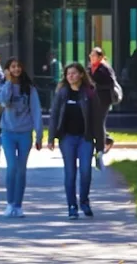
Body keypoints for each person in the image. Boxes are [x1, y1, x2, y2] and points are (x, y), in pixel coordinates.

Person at [48, 63, 100, 220]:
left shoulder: (89, 93)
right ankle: (72, 205)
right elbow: (54, 116)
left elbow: (97, 119)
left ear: (81, 75)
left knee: (86, 172)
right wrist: (51, 138)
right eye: (68, 74)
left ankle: (84, 201)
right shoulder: (62, 93)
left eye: (74, 73)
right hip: (67, 138)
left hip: (85, 138)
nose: (70, 76)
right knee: (70, 173)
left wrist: (101, 141)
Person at [0, 58, 43, 218]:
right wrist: (9, 82)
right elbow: (3, 100)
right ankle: (9, 203)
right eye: (13, 67)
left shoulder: (29, 89)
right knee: (12, 167)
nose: (16, 69)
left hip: (25, 133)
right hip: (8, 132)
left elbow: (36, 111)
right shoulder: (2, 85)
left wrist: (39, 134)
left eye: (19, 66)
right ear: (7, 69)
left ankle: (18, 205)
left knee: (21, 169)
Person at [88, 48, 122, 168]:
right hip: (92, 99)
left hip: (103, 99)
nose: (91, 57)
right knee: (93, 122)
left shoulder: (105, 68)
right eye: (91, 55)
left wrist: (96, 85)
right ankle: (106, 139)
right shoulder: (89, 68)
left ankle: (100, 149)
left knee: (99, 122)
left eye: (94, 55)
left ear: (100, 57)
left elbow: (111, 84)